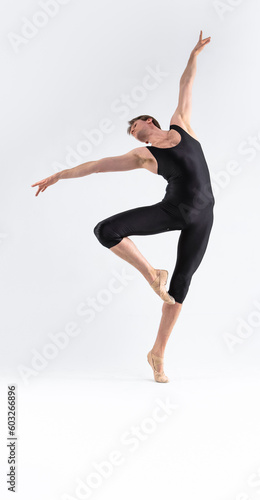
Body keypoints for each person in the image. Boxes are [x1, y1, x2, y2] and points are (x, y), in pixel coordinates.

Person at [31, 30, 214, 383]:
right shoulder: (142, 157)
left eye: (134, 125)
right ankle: (151, 274)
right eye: (130, 132)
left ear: (149, 121)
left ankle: (157, 354)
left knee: (180, 288)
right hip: (173, 211)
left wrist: (193, 54)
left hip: (203, 218)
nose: (132, 132)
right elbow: (97, 165)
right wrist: (59, 175)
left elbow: (186, 84)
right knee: (106, 230)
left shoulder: (182, 125)